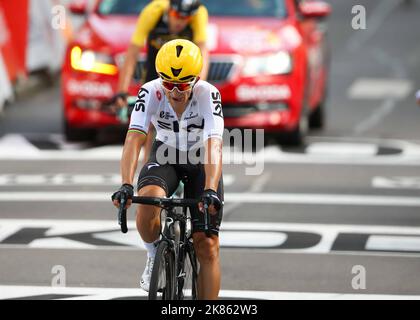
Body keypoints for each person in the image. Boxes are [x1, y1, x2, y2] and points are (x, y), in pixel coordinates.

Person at [112, 39, 224, 300]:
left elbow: (214, 145)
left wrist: (209, 189)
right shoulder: (150, 91)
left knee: (206, 245)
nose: (175, 91)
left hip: (200, 160)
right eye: (168, 83)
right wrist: (126, 184)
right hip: (165, 156)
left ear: (196, 79)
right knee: (148, 200)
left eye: (183, 84)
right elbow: (135, 138)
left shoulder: (209, 94)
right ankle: (153, 256)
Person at [113, 0, 209, 109]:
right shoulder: (153, 11)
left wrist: (199, 89)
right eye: (175, 14)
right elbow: (132, 52)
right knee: (150, 116)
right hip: (154, 71)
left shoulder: (199, 13)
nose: (180, 21)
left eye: (186, 18)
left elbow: (202, 55)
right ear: (169, 9)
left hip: (183, 75)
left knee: (183, 116)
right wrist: (122, 91)